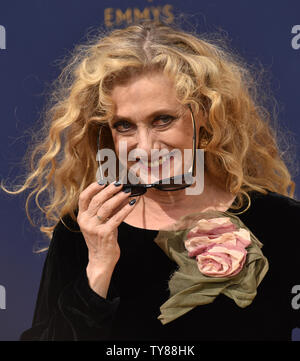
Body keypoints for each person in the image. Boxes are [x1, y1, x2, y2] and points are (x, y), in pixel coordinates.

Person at [2, 20, 300, 341]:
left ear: (204, 115)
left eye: (162, 119)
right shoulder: (82, 234)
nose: (144, 147)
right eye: (125, 126)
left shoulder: (283, 223)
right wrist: (100, 266)